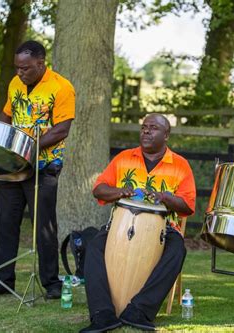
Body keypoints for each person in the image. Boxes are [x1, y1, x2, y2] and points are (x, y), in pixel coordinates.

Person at [80, 114, 196, 333]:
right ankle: (102, 314)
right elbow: (99, 189)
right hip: (120, 226)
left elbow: (187, 205)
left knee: (177, 249)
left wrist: (165, 197)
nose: (146, 131)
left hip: (164, 229)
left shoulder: (180, 165)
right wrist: (119, 191)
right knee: (94, 246)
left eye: (153, 128)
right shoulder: (124, 158)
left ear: (166, 135)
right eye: (144, 127)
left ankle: (140, 310)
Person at [0, 40, 75, 299]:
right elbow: (7, 114)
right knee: (5, 223)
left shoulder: (61, 87)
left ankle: (52, 285)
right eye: (17, 68)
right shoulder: (15, 83)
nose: (20, 73)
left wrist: (29, 148)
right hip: (13, 164)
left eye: (26, 68)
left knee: (43, 226)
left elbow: (62, 129)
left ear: (41, 64)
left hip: (44, 166)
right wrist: (3, 144)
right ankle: (2, 281)